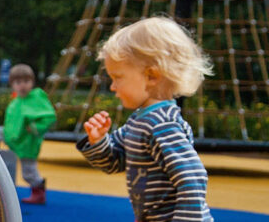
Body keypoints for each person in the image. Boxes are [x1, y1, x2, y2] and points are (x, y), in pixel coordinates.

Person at [79, 17, 213, 221]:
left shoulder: (162, 125)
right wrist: (98, 141)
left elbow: (192, 179)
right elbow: (114, 162)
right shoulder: (140, 121)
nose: (113, 87)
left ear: (152, 76)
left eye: (118, 78)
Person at [0, 63, 55, 204]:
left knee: (28, 172)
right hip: (12, 135)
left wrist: (35, 127)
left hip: (27, 140)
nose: (22, 86)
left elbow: (49, 117)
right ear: (12, 84)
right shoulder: (16, 101)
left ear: (32, 82)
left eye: (26, 82)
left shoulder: (36, 98)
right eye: (18, 82)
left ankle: (39, 191)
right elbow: (12, 120)